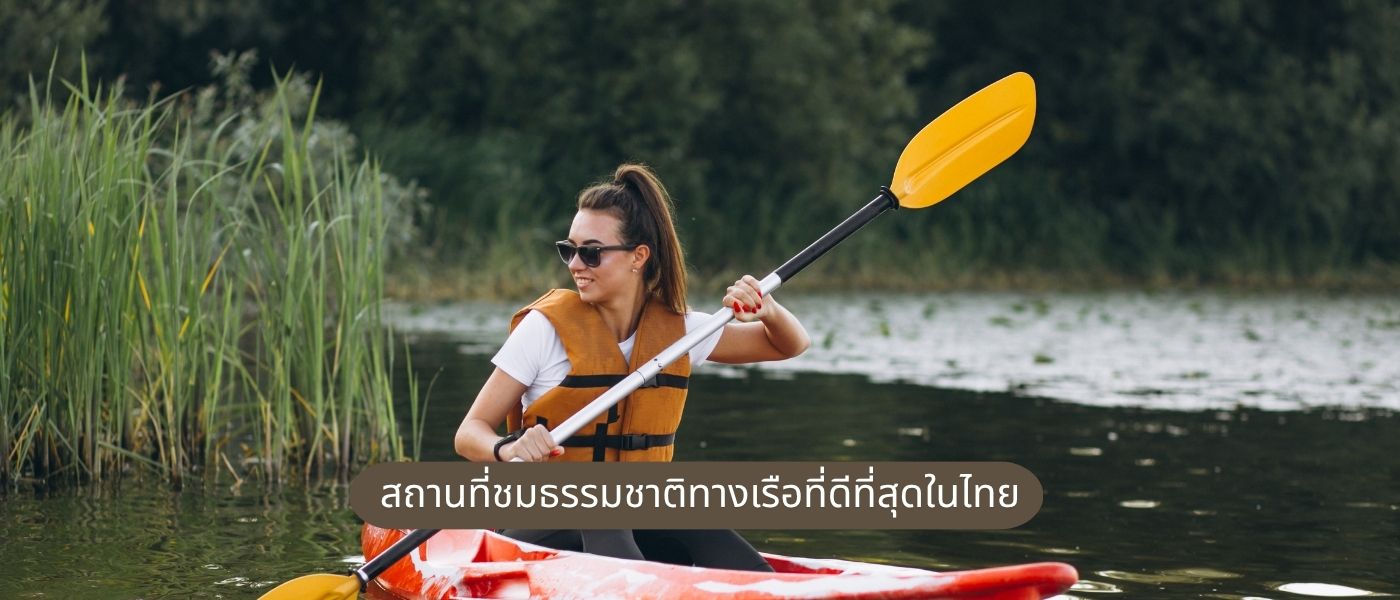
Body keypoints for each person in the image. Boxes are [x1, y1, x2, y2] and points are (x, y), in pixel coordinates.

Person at [454, 163, 810, 571]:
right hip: (537, 526)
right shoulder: (543, 330)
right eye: (568, 250)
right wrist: (509, 448)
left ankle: (768, 591)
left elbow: (788, 346)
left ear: (638, 256)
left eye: (590, 252)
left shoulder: (681, 333)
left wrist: (769, 310)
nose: (575, 264)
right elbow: (469, 435)